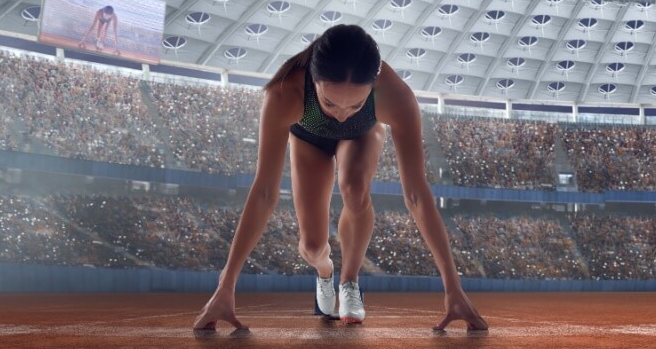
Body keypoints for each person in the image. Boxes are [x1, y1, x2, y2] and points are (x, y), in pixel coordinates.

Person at [194, 24, 488, 331]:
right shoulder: (284, 92)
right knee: (311, 245)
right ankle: (325, 272)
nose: (342, 114)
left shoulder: (397, 95)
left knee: (355, 188)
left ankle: (349, 282)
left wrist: (453, 287)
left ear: (374, 87)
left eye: (357, 104)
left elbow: (416, 194)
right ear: (312, 80)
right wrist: (226, 285)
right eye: (330, 102)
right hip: (309, 140)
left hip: (362, 136)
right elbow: (265, 192)